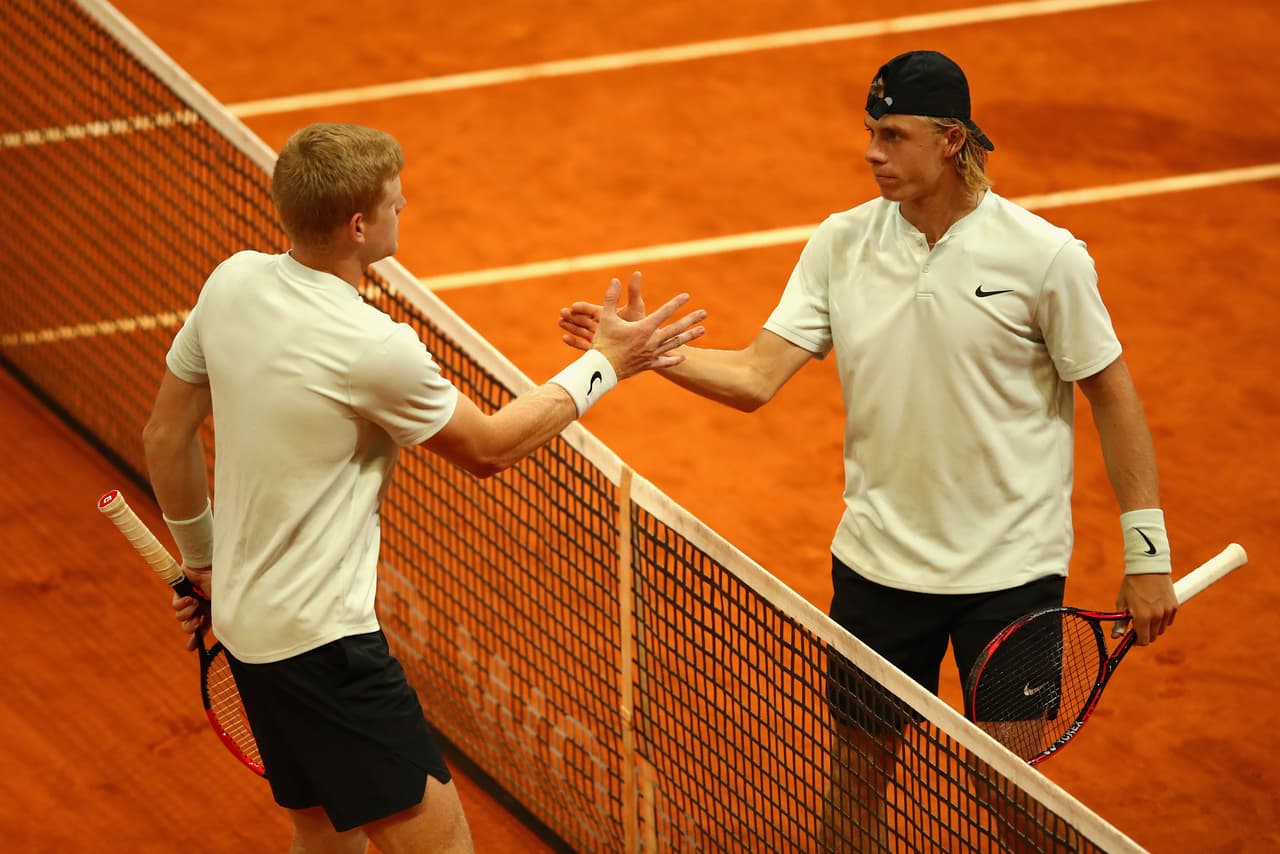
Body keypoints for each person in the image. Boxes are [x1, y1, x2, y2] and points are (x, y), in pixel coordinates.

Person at [558, 50, 1179, 850]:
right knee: (856, 780)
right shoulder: (840, 244)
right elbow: (754, 376)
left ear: (952, 140)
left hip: (1012, 571)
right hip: (879, 567)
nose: (871, 153)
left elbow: (1113, 395)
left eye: (893, 135)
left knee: (1013, 796)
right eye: (870, 133)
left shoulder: (1044, 257)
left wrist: (1147, 549)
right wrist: (652, 356)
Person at [143, 122, 706, 854]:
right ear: (357, 226)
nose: (403, 203)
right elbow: (492, 448)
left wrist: (203, 563)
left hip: (252, 633)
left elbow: (165, 436)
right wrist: (607, 363)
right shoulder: (373, 346)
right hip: (326, 650)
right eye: (392, 201)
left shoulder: (232, 282)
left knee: (322, 832)